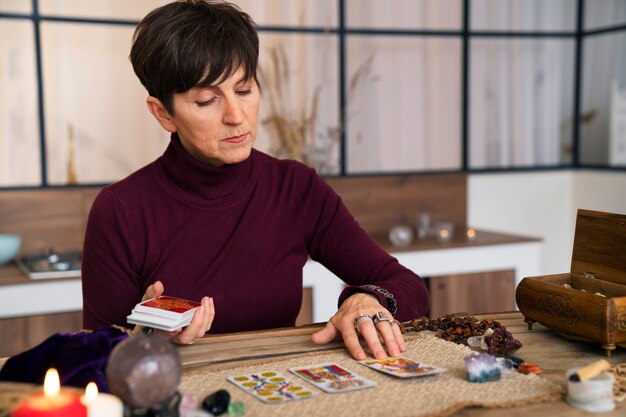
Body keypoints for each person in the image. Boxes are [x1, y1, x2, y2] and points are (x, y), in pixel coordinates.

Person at [81, 0, 429, 361]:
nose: (236, 116)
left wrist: (367, 299)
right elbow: (92, 355)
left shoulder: (296, 188)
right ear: (163, 113)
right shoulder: (121, 210)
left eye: (244, 90)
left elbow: (407, 285)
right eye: (206, 100)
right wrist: (145, 339)